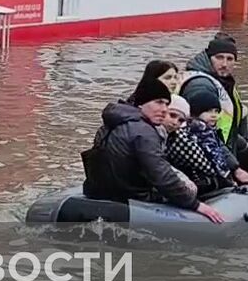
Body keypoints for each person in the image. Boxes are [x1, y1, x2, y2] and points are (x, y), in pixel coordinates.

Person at [82, 75, 224, 224]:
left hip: (99, 193)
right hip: (131, 199)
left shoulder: (112, 122)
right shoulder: (144, 131)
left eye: (166, 104)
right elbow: (160, 173)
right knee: (193, 188)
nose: (164, 109)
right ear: (141, 103)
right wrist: (195, 205)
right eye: (159, 102)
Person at [179, 34, 248, 178]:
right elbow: (202, 132)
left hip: (227, 142)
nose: (224, 64)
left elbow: (228, 123)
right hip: (207, 147)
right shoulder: (201, 85)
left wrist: (243, 143)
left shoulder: (223, 82)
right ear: (209, 58)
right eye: (219, 58)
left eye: (230, 59)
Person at [184, 91, 248, 188]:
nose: (214, 115)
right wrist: (229, 179)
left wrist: (235, 168)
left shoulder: (209, 131)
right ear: (196, 112)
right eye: (208, 111)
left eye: (216, 111)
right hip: (200, 180)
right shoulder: (197, 133)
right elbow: (214, 157)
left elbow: (221, 150)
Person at [164, 95, 223, 195]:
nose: (175, 122)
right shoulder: (180, 137)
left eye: (180, 120)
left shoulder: (177, 135)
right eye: (172, 115)